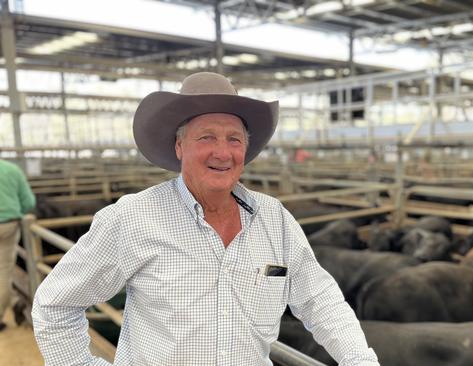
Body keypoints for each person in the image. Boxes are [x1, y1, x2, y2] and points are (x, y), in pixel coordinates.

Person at [32, 72, 379, 365]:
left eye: (234, 139)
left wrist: (360, 361)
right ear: (180, 147)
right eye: (206, 137)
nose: (222, 152)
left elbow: (321, 301)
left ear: (246, 150)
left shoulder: (275, 219)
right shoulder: (133, 218)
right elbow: (56, 305)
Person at [0, 158, 35, 331]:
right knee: (4, 270)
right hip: (8, 225)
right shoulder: (12, 170)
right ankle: (13, 301)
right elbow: (29, 202)